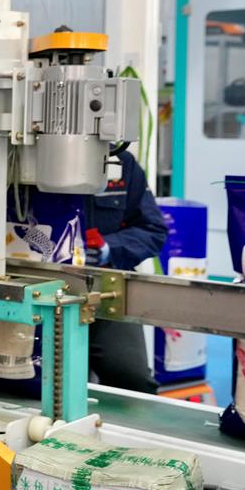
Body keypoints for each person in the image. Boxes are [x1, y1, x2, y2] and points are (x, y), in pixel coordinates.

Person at [81, 149, 168, 392]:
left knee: (134, 381)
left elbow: (153, 229)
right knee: (46, 378)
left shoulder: (121, 163)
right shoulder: (20, 161)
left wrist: (109, 248)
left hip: (107, 291)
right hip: (42, 289)